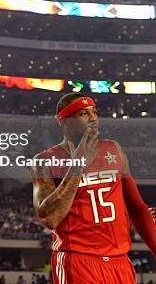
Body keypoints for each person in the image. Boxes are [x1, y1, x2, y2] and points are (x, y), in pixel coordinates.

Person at [31, 93, 156, 284]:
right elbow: (49, 218)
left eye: (94, 112)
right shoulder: (46, 160)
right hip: (78, 260)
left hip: (120, 262)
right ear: (63, 121)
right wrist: (78, 166)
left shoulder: (114, 149)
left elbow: (138, 209)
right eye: (83, 113)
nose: (93, 118)